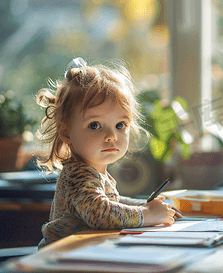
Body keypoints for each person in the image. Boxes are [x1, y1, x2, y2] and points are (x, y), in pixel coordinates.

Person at [36, 58, 181, 248]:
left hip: (82, 254)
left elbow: (112, 201)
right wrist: (147, 214)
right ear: (66, 131)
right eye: (95, 125)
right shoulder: (78, 174)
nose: (112, 136)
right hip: (61, 259)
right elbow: (100, 213)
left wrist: (145, 206)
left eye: (120, 125)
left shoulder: (93, 171)